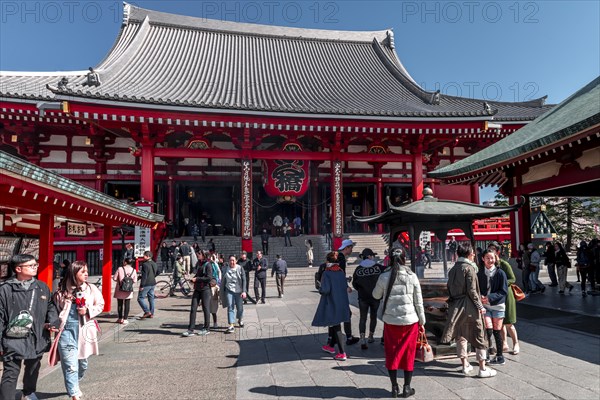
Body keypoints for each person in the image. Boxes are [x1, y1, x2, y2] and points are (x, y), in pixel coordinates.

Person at [0, 254, 59, 400]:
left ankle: (28, 392)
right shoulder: (5, 289)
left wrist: (53, 322)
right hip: (12, 337)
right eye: (31, 265)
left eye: (35, 265)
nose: (34, 268)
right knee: (11, 372)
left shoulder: (41, 287)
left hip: (37, 336)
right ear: (18, 269)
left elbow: (50, 307)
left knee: (33, 368)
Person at [372, 247, 426, 398]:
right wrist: (422, 320)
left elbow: (375, 296)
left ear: (389, 258)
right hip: (410, 322)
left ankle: (394, 387)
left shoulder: (384, 277)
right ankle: (407, 387)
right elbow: (418, 301)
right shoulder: (412, 276)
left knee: (392, 352)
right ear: (404, 259)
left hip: (391, 321)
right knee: (409, 353)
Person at [441, 242, 497, 378]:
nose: (474, 255)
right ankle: (482, 368)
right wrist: (480, 306)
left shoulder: (453, 268)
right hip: (469, 306)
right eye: (472, 252)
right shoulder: (469, 268)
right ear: (468, 254)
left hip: (456, 306)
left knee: (461, 336)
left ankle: (465, 364)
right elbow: (472, 291)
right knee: (479, 334)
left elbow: (448, 287)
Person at [54, 260, 104, 400]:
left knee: (82, 364)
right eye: (82, 272)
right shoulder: (62, 290)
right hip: (66, 330)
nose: (86, 274)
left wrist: (88, 310)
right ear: (73, 273)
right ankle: (74, 393)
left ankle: (74, 383)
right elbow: (54, 310)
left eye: (86, 271)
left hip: (84, 330)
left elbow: (100, 304)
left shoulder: (91, 288)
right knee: (70, 365)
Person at [312, 251, 351, 361]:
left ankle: (342, 352)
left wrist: (320, 287)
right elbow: (345, 286)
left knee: (336, 325)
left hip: (332, 301)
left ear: (328, 261)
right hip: (342, 301)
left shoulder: (327, 273)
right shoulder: (341, 272)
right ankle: (330, 346)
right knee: (334, 324)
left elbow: (326, 290)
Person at [486, 243, 520, 355]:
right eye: (489, 250)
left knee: (509, 322)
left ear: (497, 252)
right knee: (499, 322)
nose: (490, 252)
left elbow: (513, 278)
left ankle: (516, 343)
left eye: (492, 250)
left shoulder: (504, 264)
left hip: (506, 294)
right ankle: (504, 343)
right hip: (495, 296)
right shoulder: (489, 265)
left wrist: (503, 283)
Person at [478, 249, 508, 366]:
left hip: (498, 305)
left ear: (495, 259)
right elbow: (477, 288)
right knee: (488, 330)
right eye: (487, 258)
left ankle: (500, 356)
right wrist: (480, 296)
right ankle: (486, 353)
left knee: (497, 330)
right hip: (485, 306)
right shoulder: (480, 273)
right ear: (483, 259)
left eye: (492, 258)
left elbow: (503, 291)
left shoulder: (501, 273)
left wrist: (490, 297)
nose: (490, 260)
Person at [352, 248, 383, 349]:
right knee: (373, 316)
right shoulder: (378, 267)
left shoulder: (358, 269)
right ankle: (371, 336)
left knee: (363, 318)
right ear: (370, 256)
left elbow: (354, 284)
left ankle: (362, 338)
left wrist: (361, 290)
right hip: (375, 296)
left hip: (363, 297)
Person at [182, 254, 216, 337]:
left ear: (204, 256)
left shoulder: (208, 265)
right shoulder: (198, 263)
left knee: (206, 308)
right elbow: (197, 274)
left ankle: (206, 328)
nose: (198, 256)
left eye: (199, 254)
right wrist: (192, 279)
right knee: (193, 308)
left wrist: (197, 279)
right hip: (197, 289)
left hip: (205, 289)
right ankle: (190, 329)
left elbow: (209, 278)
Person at [337, 239, 360, 345]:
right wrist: (346, 286)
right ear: (346, 248)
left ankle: (331, 338)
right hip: (340, 290)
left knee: (340, 313)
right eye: (351, 248)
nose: (351, 250)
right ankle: (348, 337)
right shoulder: (341, 258)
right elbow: (340, 274)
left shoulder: (337, 256)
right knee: (346, 313)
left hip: (336, 289)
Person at [220, 255, 247, 333]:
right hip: (229, 290)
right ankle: (231, 325)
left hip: (239, 291)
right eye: (230, 260)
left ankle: (240, 319)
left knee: (240, 307)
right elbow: (222, 280)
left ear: (236, 261)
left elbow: (244, 280)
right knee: (230, 307)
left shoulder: (240, 268)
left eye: (233, 260)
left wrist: (244, 291)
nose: (232, 262)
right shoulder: (225, 269)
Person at [113, 258, 138, 324]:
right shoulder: (134, 270)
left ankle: (120, 318)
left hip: (120, 288)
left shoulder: (120, 269)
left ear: (125, 262)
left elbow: (115, 278)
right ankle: (125, 319)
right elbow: (135, 280)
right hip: (129, 289)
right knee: (127, 304)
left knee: (120, 304)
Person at [137, 251, 157, 319]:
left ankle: (147, 311)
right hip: (153, 283)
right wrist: (153, 276)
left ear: (148, 256)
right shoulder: (154, 263)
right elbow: (158, 271)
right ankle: (152, 313)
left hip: (146, 283)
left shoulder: (145, 264)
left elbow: (144, 276)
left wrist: (142, 285)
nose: (143, 257)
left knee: (140, 298)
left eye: (144, 256)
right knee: (151, 298)